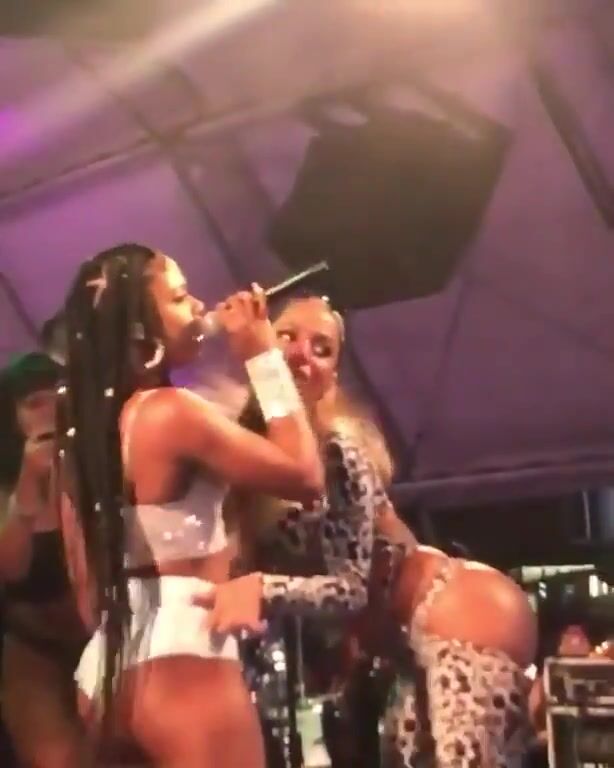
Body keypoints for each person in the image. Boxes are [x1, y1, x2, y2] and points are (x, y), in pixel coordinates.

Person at [206, 294, 537, 768]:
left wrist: (261, 588)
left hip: (459, 611)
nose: (302, 354)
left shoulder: (339, 449)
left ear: (331, 377)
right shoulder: (246, 460)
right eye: (288, 336)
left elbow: (351, 589)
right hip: (404, 646)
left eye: (322, 348)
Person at [56, 244, 324, 768]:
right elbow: (305, 476)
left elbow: (86, 591)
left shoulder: (78, 443)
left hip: (105, 670)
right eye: (180, 298)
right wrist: (261, 355)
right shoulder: (171, 412)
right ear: (142, 333)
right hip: (185, 658)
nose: (200, 306)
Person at [0, 352, 91, 768]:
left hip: (102, 634)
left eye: (56, 397)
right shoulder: (5, 485)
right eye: (33, 403)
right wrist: (29, 485)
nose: (47, 410)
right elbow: (11, 569)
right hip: (32, 647)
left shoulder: (98, 462)